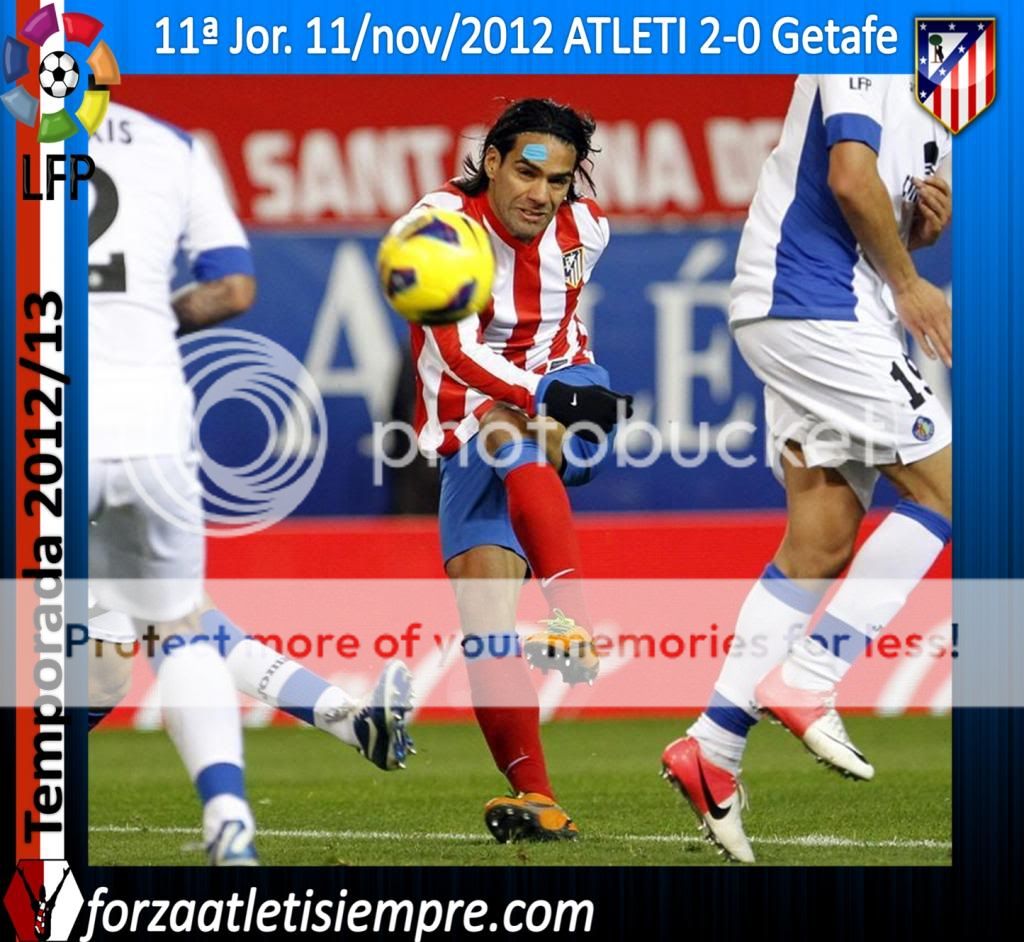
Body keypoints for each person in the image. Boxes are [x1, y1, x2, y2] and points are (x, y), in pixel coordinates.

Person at [86, 102, 413, 866]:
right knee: (172, 623)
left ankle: (339, 721)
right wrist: (144, 322)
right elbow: (232, 287)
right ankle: (323, 734)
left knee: (100, 655)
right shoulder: (170, 146)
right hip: (153, 419)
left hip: (54, 420)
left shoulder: (22, 136)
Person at [661, 75, 953, 863]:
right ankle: (810, 676)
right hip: (815, 304)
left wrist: (918, 231)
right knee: (954, 490)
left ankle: (711, 748)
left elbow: (881, 203)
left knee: (820, 541)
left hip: (812, 308)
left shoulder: (954, 74)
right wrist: (910, 283)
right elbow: (848, 177)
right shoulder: (860, 31)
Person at [404, 98, 632, 842]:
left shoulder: (586, 230)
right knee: (485, 627)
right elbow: (458, 353)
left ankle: (574, 621)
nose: (541, 193)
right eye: (528, 172)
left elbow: (566, 318)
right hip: (469, 418)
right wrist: (542, 389)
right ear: (493, 160)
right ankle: (537, 798)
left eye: (558, 180)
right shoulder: (439, 228)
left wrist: (575, 381)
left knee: (511, 436)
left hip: (547, 409)